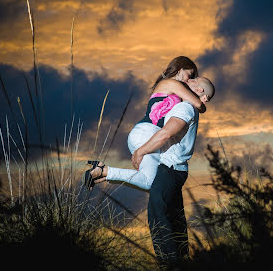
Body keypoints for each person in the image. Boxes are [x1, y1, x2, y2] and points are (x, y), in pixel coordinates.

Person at [87, 75, 215, 264]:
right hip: (174, 170)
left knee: (158, 217)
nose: (190, 79)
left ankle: (169, 263)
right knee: (174, 220)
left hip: (170, 170)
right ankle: (181, 262)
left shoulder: (186, 107)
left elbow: (165, 134)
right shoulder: (185, 105)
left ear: (200, 90)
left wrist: (140, 152)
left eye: (194, 79)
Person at [82, 56, 208, 191]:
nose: (189, 79)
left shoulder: (172, 87)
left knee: (150, 183)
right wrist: (203, 101)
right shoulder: (172, 83)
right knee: (151, 182)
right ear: (180, 70)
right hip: (147, 133)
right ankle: (103, 171)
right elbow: (199, 104)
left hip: (145, 134)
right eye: (190, 75)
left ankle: (103, 173)